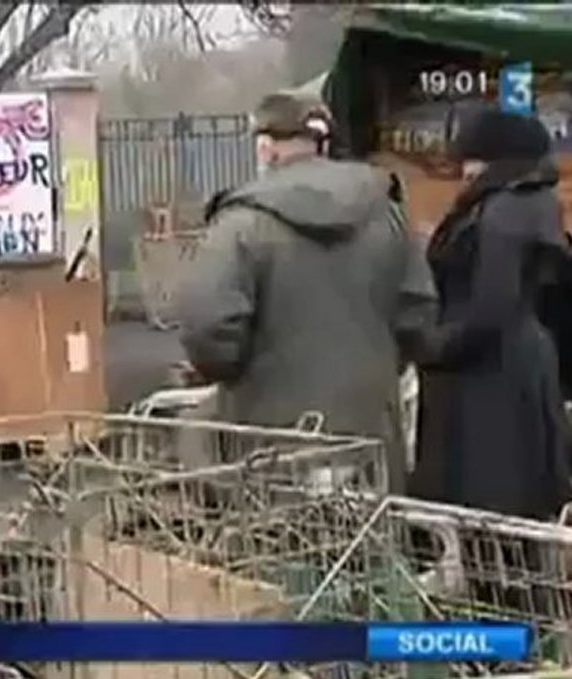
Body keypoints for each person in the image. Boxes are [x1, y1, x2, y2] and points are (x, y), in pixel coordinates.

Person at [176, 92, 437, 489]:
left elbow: (208, 327)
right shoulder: (386, 211)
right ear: (322, 144)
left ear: (265, 147)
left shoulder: (239, 223)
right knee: (372, 526)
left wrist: (231, 372)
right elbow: (418, 313)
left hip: (271, 439)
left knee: (278, 528)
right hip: (370, 434)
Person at [410, 108, 572, 520]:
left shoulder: (503, 210)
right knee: (520, 505)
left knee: (491, 503)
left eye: (471, 160)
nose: (464, 172)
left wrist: (430, 346)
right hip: (514, 366)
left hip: (489, 380)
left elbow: (491, 305)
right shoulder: (530, 202)